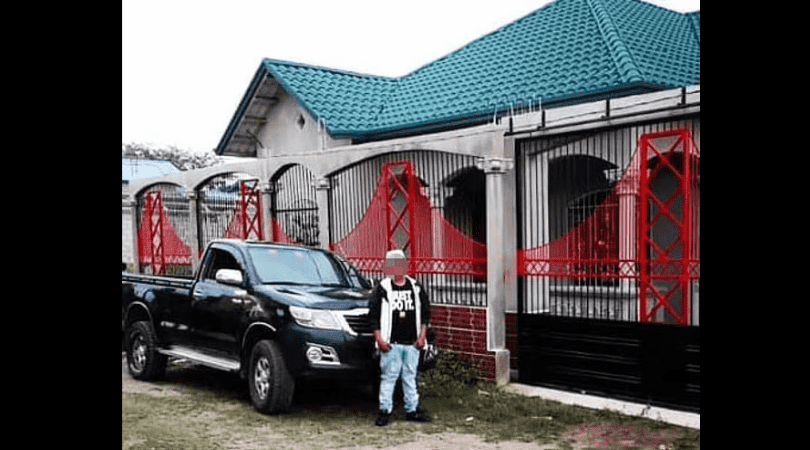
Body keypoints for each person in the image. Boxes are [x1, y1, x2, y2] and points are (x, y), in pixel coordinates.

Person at [368, 249, 432, 427]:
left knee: (410, 376)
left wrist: (422, 337)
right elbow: (374, 316)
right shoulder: (382, 289)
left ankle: (412, 410)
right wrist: (379, 339)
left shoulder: (416, 287)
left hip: (412, 343)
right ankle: (385, 411)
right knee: (389, 377)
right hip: (391, 343)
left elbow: (426, 314)